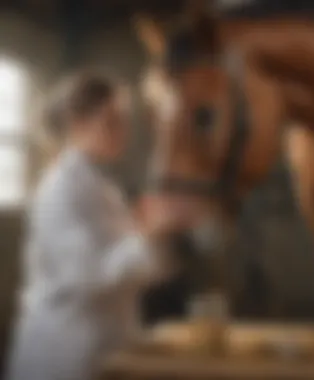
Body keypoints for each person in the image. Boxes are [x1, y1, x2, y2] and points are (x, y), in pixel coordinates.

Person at [5, 72, 196, 380]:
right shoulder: (60, 191)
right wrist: (150, 234)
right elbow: (89, 277)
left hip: (104, 347)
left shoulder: (102, 188)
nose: (123, 130)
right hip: (63, 355)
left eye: (124, 119)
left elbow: (141, 271)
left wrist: (165, 234)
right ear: (77, 123)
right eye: (111, 120)